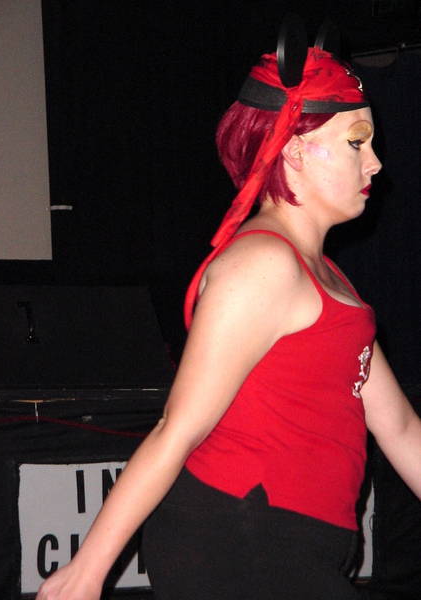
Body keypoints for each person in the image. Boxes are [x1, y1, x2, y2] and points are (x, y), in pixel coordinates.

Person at [36, 42, 421, 600]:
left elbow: (399, 427)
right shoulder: (262, 265)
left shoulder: (323, 276)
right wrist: (87, 571)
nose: (375, 162)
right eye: (356, 142)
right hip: (242, 534)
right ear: (294, 151)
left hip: (289, 540)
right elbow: (178, 429)